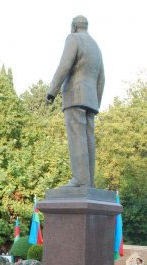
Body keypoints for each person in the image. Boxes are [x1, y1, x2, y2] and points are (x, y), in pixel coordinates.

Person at [46, 15, 104, 188]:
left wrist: (52, 91)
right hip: (90, 99)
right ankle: (89, 181)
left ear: (73, 26)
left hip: (75, 95)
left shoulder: (73, 39)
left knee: (77, 137)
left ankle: (80, 179)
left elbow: (64, 65)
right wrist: (96, 102)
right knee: (88, 140)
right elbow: (102, 79)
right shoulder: (96, 47)